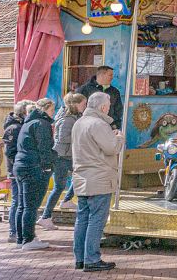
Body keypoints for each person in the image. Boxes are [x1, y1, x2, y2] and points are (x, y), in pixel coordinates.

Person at [72, 92, 125, 271]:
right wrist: (118, 136)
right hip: (99, 178)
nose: (109, 108)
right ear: (103, 107)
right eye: (108, 106)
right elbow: (111, 148)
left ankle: (80, 258)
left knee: (82, 219)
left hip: (82, 177)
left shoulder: (79, 123)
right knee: (96, 220)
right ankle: (92, 259)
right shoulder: (99, 124)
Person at [38, 92, 86, 231]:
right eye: (83, 104)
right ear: (76, 105)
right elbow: (63, 138)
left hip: (67, 155)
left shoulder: (72, 117)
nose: (85, 106)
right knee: (59, 186)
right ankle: (46, 216)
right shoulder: (67, 119)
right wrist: (80, 137)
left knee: (79, 176)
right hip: (61, 156)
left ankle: (66, 201)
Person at [13, 98, 56, 250]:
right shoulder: (41, 124)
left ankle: (21, 238)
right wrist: (47, 167)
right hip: (33, 167)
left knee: (22, 205)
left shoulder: (28, 123)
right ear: (44, 110)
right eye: (51, 110)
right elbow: (44, 148)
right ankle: (28, 239)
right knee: (31, 206)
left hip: (21, 165)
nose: (53, 113)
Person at [2, 102, 28, 244]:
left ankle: (19, 230)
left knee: (20, 200)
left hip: (17, 167)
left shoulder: (18, 126)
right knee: (17, 200)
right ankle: (13, 231)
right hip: (15, 169)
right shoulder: (15, 128)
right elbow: (10, 151)